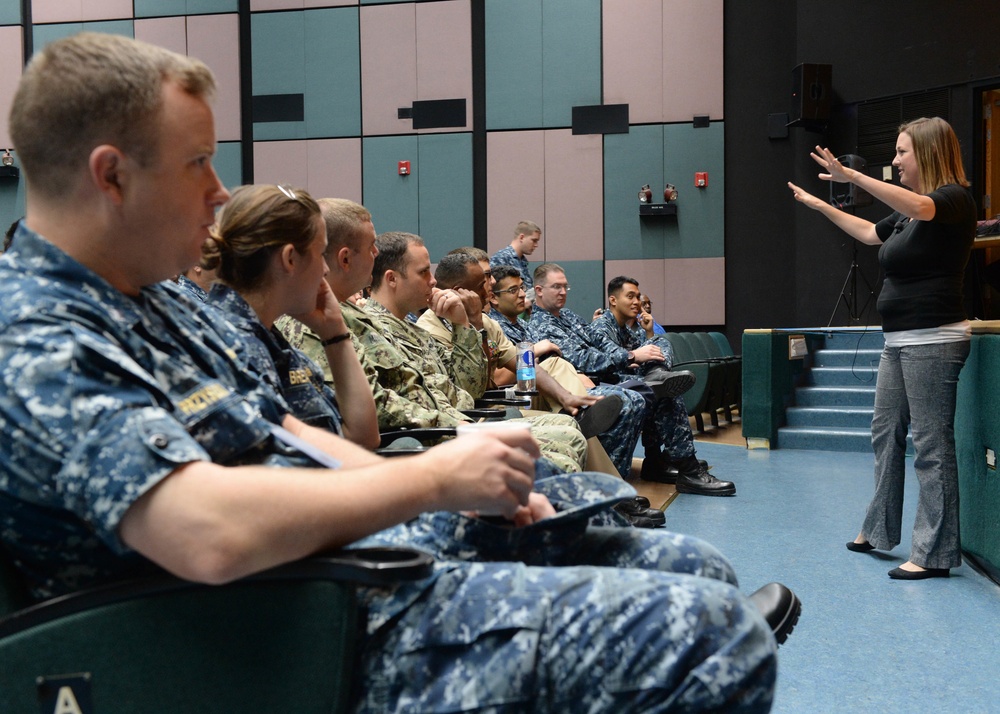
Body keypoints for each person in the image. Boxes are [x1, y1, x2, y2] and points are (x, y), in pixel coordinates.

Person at [0, 32, 801, 712]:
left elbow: (282, 432)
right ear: (111, 176)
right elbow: (205, 534)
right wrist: (432, 481)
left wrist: (464, 482)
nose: (217, 193)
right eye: (198, 164)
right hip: (269, 640)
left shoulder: (155, 305)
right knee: (715, 641)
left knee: (692, 566)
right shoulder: (38, 337)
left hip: (335, 574)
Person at [788, 117, 976, 580]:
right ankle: (878, 529)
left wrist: (852, 175)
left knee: (931, 445)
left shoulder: (952, 199)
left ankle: (933, 553)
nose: (894, 160)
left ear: (928, 154)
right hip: (898, 341)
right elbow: (872, 233)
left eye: (901, 152)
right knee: (884, 432)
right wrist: (820, 206)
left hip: (934, 339)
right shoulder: (908, 215)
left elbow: (920, 204)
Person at [418, 252, 664, 527]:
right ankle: (609, 500)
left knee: (569, 411)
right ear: (457, 292)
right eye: (481, 284)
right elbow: (464, 392)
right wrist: (468, 325)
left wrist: (566, 396)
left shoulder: (486, 321)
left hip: (499, 404)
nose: (488, 287)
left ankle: (604, 486)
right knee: (570, 422)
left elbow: (524, 363)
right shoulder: (431, 327)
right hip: (474, 416)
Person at [347, 231, 590, 475]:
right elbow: (386, 406)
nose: (432, 281)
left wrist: (464, 325)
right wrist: (461, 425)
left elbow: (467, 389)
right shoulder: (369, 330)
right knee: (564, 452)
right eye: (423, 273)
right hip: (441, 436)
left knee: (569, 430)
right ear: (392, 279)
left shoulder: (414, 331)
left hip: (464, 421)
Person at [530, 264, 737, 497]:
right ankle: (619, 486)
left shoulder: (568, 316)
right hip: (583, 385)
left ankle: (672, 464)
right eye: (556, 287)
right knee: (644, 395)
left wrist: (630, 354)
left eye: (565, 286)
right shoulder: (542, 323)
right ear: (539, 290)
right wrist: (629, 356)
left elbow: (598, 343)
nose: (563, 292)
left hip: (610, 375)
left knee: (663, 380)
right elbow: (581, 358)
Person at [202, 184, 379, 449]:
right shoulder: (231, 346)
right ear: (290, 259)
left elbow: (363, 438)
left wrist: (335, 335)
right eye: (320, 254)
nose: (325, 270)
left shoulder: (269, 338)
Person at [489, 219, 541, 304]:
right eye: (534, 240)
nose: (536, 245)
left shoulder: (522, 261)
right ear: (522, 237)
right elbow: (494, 290)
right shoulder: (501, 258)